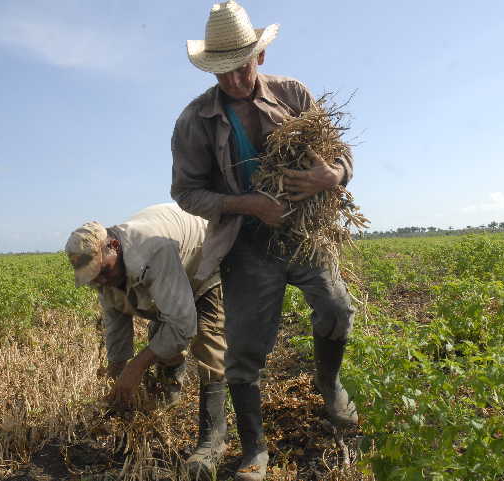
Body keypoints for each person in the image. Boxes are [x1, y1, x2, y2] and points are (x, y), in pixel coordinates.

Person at [171, 2, 357, 479]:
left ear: (260, 57)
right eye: (223, 72)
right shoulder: (195, 120)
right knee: (245, 351)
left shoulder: (293, 94)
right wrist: (249, 204)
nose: (234, 80)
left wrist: (329, 176)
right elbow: (186, 193)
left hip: (303, 231)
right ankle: (254, 448)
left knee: (336, 308)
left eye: (242, 67)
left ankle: (329, 384)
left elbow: (340, 157)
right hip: (247, 243)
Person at [65, 203, 228, 478]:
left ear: (113, 246)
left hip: (204, 260)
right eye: (95, 277)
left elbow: (182, 324)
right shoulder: (104, 274)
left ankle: (213, 442)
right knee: (162, 333)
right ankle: (167, 388)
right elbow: (116, 322)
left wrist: (136, 367)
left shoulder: (152, 250)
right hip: (172, 273)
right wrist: (118, 372)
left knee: (207, 343)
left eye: (103, 271)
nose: (102, 280)